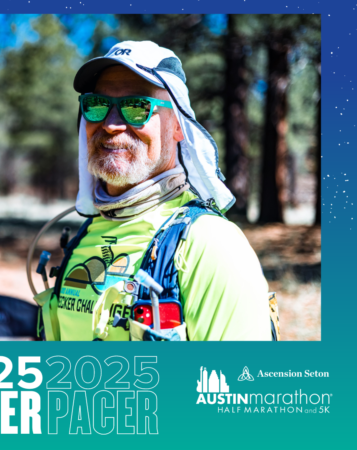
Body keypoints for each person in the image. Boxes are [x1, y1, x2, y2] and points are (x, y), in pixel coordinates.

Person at [47, 40, 271, 341]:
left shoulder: (211, 244)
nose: (112, 124)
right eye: (97, 106)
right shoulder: (87, 233)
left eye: (137, 107)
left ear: (178, 125)